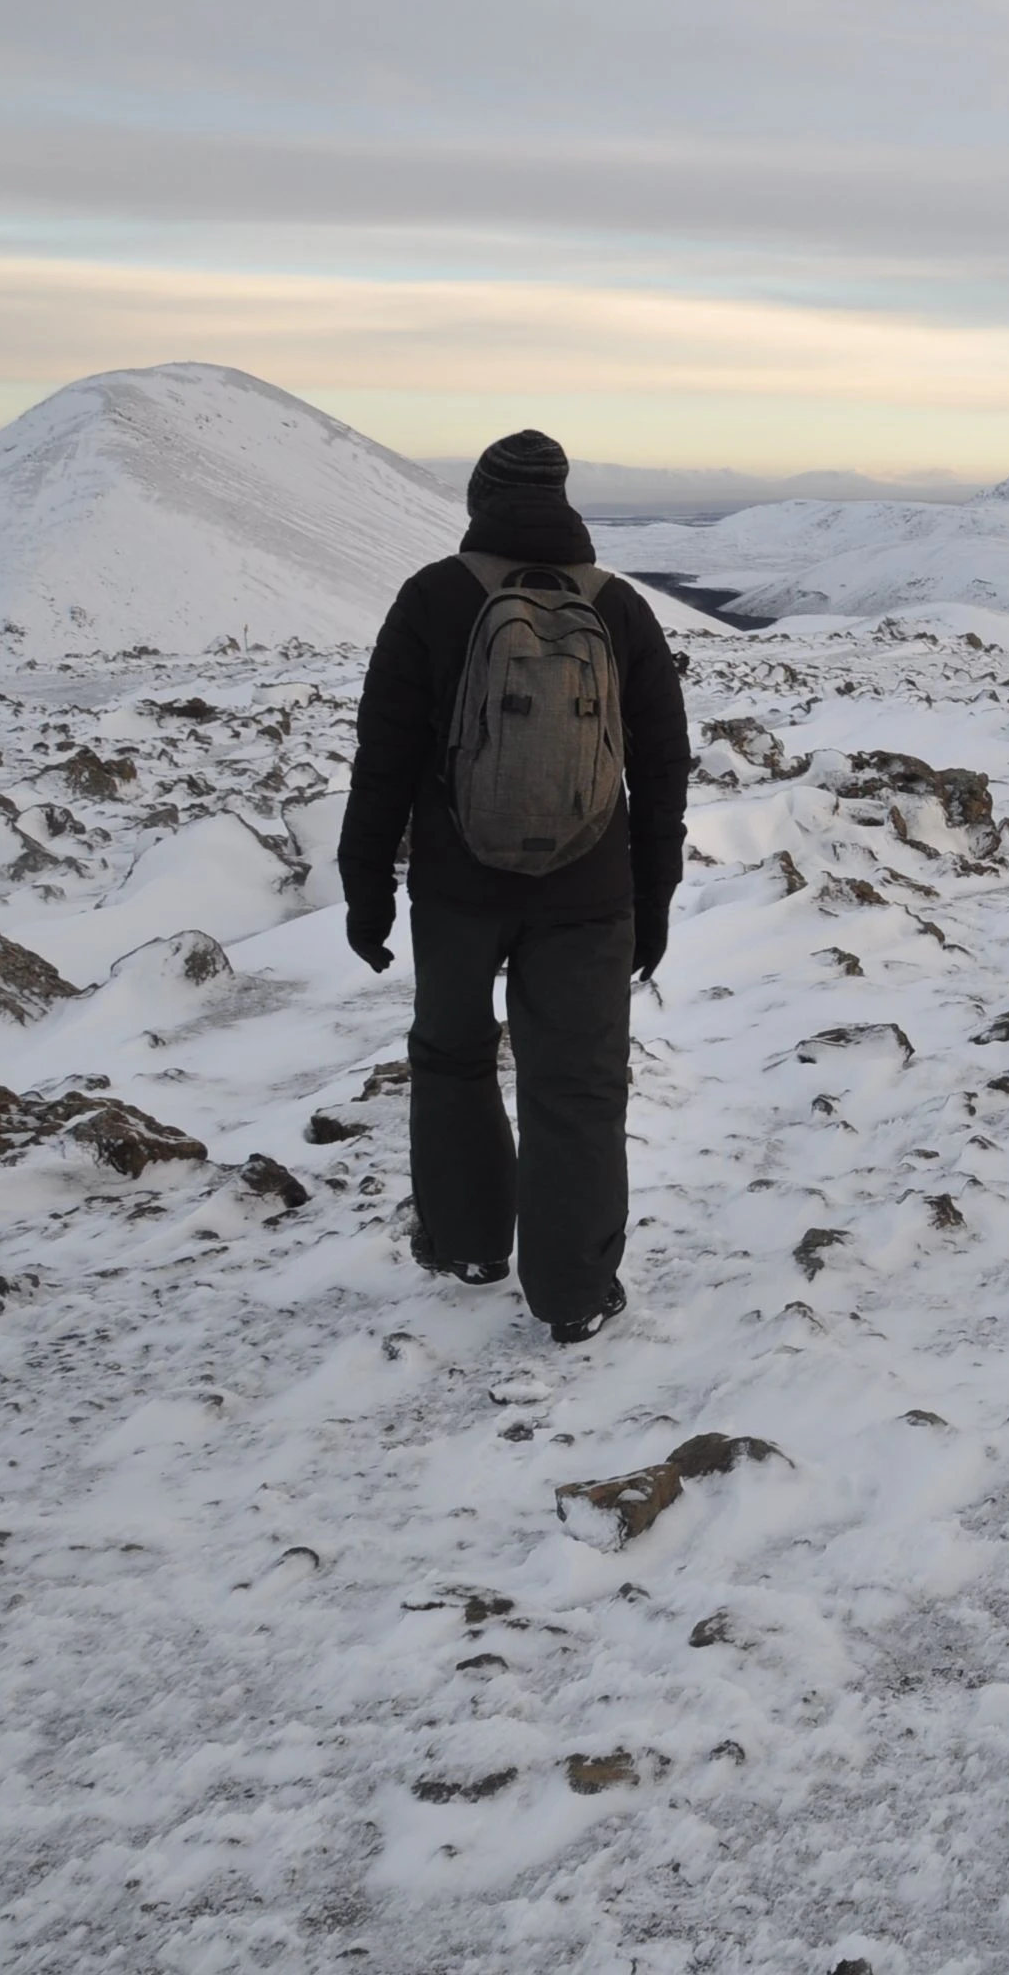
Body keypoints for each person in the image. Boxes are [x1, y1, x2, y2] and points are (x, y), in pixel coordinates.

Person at [338, 430, 691, 1344]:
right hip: (589, 894)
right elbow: (661, 771)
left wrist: (366, 887)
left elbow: (384, 760)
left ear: (479, 501)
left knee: (453, 1059)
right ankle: (574, 1293)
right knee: (577, 1086)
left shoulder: (433, 597)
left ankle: (467, 1245)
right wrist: (652, 899)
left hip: (458, 889)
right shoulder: (620, 608)